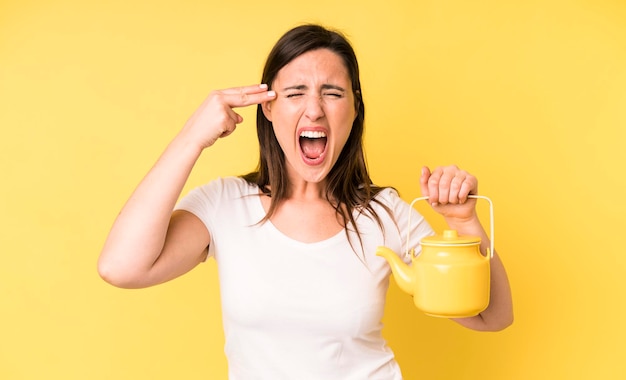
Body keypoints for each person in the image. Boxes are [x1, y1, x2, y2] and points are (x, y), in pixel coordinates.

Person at [98, 24, 513, 379]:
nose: (314, 109)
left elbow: (490, 316)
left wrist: (464, 222)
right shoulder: (224, 205)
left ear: (354, 112)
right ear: (268, 110)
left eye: (332, 93)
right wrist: (192, 138)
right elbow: (120, 267)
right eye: (295, 92)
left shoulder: (387, 214)